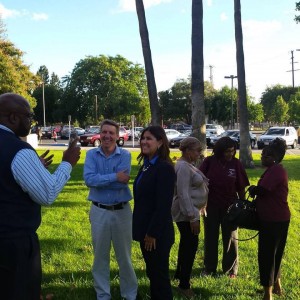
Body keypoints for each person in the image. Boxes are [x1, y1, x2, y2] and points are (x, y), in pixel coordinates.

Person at [0, 92, 81, 300]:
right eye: (29, 115)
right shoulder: (19, 150)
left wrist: (32, 171)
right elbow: (48, 193)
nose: (31, 120)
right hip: (13, 247)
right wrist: (67, 163)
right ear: (13, 117)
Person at [83, 119, 138, 300]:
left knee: (125, 257)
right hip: (99, 211)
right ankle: (103, 295)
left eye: (111, 133)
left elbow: (120, 182)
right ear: (100, 133)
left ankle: (129, 295)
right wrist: (115, 176)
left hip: (122, 211)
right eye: (104, 132)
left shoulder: (125, 155)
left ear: (117, 135)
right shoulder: (91, 155)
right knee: (100, 257)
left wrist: (102, 180)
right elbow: (89, 180)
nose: (107, 136)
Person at [132, 126, 176, 300]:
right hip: (145, 231)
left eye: (149, 138)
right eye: (143, 138)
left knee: (160, 278)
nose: (144, 141)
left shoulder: (164, 168)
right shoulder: (147, 165)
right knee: (153, 275)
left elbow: (163, 205)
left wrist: (152, 233)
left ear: (160, 142)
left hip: (157, 234)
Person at [199, 136, 249, 278]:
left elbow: (241, 186)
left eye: (233, 151)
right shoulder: (209, 162)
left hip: (230, 207)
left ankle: (231, 269)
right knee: (210, 237)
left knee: (231, 238)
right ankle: (209, 268)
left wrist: (242, 204)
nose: (230, 154)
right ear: (219, 151)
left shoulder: (236, 164)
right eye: (227, 151)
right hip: (211, 206)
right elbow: (199, 181)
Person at [249, 138, 290, 300]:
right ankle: (277, 287)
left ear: (273, 157)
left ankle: (268, 294)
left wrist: (254, 189)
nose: (261, 157)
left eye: (264, 155)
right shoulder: (275, 169)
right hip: (277, 218)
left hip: (273, 219)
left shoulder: (276, 171)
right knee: (275, 254)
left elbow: (263, 190)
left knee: (267, 256)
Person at [172, 137, 209, 299]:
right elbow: (183, 193)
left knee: (187, 245)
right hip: (187, 214)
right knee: (190, 247)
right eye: (197, 150)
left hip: (192, 212)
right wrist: (193, 217)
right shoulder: (183, 167)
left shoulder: (188, 165)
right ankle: (184, 285)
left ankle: (180, 275)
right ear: (187, 151)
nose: (199, 154)